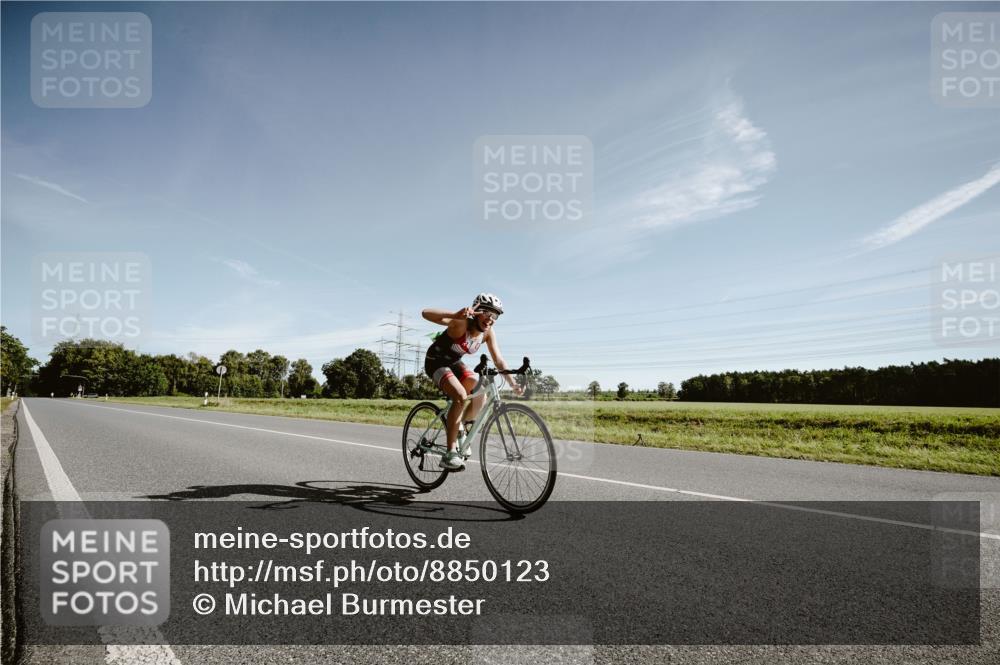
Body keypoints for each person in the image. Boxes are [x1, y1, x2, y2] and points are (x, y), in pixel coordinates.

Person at [422, 293, 522, 470]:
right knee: (460, 395)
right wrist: (455, 314)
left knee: (480, 391)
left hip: (454, 363)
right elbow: (425, 313)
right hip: (436, 361)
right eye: (487, 313)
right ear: (476, 311)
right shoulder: (461, 322)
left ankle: (459, 426)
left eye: (495, 315)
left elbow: (499, 360)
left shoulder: (488, 333)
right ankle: (450, 453)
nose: (490, 319)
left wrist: (512, 383)